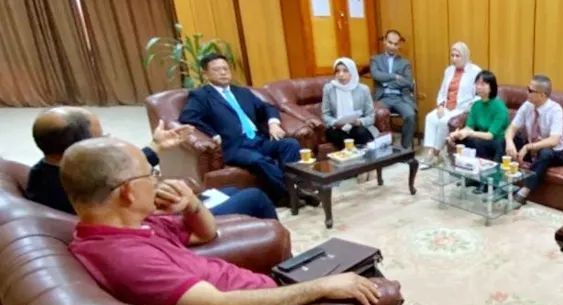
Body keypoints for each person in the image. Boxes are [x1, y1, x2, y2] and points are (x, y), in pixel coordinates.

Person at [60, 137, 447, 305]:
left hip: (262, 286)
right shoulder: (126, 258)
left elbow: (206, 233)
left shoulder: (131, 226)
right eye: (151, 173)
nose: (158, 179)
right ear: (128, 191)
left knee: (352, 256)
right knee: (365, 275)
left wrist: (192, 204)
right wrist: (321, 287)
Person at [25, 106, 277, 219]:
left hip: (161, 210)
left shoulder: (51, 170)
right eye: (101, 136)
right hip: (164, 221)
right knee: (255, 197)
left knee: (231, 191)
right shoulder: (76, 183)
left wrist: (156, 146)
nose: (106, 140)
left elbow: (114, 169)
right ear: (82, 145)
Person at [179, 53, 301, 204]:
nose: (223, 72)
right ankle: (292, 195)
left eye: (225, 69)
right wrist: (212, 133)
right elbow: (188, 117)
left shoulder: (242, 92)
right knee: (258, 160)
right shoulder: (201, 95)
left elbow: (267, 107)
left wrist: (273, 123)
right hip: (235, 146)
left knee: (290, 144)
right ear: (205, 74)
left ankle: (293, 192)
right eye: (217, 70)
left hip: (259, 140)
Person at [504, 74, 563, 205]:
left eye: (530, 90)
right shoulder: (527, 105)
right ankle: (499, 183)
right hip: (531, 147)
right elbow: (512, 128)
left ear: (542, 95)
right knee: (502, 141)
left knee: (545, 153)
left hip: (554, 152)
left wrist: (528, 147)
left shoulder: (555, 110)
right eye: (527, 88)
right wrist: (509, 142)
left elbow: (554, 140)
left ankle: (523, 192)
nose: (527, 92)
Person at [421, 42, 481, 168]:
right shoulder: (448, 70)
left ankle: (434, 153)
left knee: (444, 122)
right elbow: (442, 91)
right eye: (452, 55)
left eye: (457, 56)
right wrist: (440, 105)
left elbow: (479, 94)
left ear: (465, 55)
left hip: (462, 108)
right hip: (446, 106)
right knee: (430, 118)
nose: (454, 59)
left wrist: (470, 107)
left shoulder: (475, 71)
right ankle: (429, 150)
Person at [370, 29, 417, 150]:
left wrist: (388, 84)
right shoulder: (375, 60)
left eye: (395, 44)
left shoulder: (405, 63)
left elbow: (407, 82)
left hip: (400, 97)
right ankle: (383, 148)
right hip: (382, 97)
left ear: (399, 45)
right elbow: (376, 75)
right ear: (385, 41)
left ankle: (405, 148)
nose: (392, 46)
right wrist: (395, 76)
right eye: (390, 43)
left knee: (410, 115)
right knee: (377, 114)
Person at [447, 70, 509, 161]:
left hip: (497, 142)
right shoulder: (476, 105)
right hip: (481, 141)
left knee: (479, 142)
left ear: (491, 87)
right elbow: (469, 128)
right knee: (460, 140)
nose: (478, 87)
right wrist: (457, 134)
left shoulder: (499, 107)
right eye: (477, 83)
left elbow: (490, 135)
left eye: (483, 84)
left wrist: (470, 133)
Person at [321, 57, 380, 148]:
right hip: (337, 128)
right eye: (337, 71)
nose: (341, 74)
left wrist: (359, 122)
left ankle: (365, 156)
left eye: (345, 71)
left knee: (360, 132)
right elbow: (325, 115)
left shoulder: (363, 89)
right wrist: (335, 123)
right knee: (342, 138)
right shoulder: (329, 88)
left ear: (352, 72)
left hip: (357, 126)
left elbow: (371, 117)